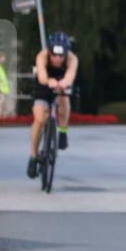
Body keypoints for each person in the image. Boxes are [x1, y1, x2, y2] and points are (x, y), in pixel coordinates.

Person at [26, 32, 78, 178]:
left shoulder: (72, 59)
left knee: (64, 99)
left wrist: (64, 83)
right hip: (44, 84)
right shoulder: (42, 56)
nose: (57, 58)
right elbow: (42, 75)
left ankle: (62, 131)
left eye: (61, 56)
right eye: (54, 55)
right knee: (40, 119)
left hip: (62, 82)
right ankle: (33, 156)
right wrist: (49, 81)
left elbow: (70, 75)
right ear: (49, 51)